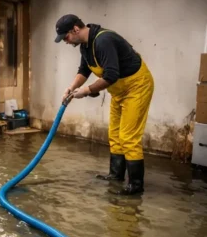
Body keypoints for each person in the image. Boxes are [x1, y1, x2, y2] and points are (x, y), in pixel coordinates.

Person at [55, 14, 154, 194]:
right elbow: (83, 71)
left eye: (66, 37)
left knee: (128, 137)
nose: (66, 42)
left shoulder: (103, 41)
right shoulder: (85, 46)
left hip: (137, 86)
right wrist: (71, 88)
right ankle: (116, 174)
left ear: (75, 29)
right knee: (115, 133)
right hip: (118, 91)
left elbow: (111, 75)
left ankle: (136, 186)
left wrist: (86, 90)